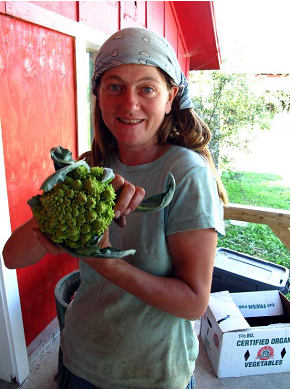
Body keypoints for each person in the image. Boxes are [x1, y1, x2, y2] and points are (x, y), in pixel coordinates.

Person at [3, 27, 228, 389]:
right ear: (99, 95)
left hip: (152, 373)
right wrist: (59, 211)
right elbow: (12, 256)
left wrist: (105, 261)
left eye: (147, 88)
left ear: (170, 97)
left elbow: (193, 303)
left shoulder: (185, 174)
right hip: (80, 359)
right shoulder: (88, 170)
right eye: (115, 86)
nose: (129, 104)